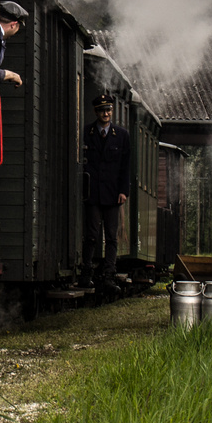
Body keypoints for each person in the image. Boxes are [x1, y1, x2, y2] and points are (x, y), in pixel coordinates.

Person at [81, 93, 131, 287]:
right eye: (102, 110)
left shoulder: (122, 135)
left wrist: (123, 191)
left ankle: (109, 275)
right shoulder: (87, 133)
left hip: (112, 194)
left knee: (111, 237)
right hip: (92, 194)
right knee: (91, 235)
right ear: (96, 112)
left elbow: (125, 166)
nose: (106, 113)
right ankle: (87, 274)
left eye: (108, 110)